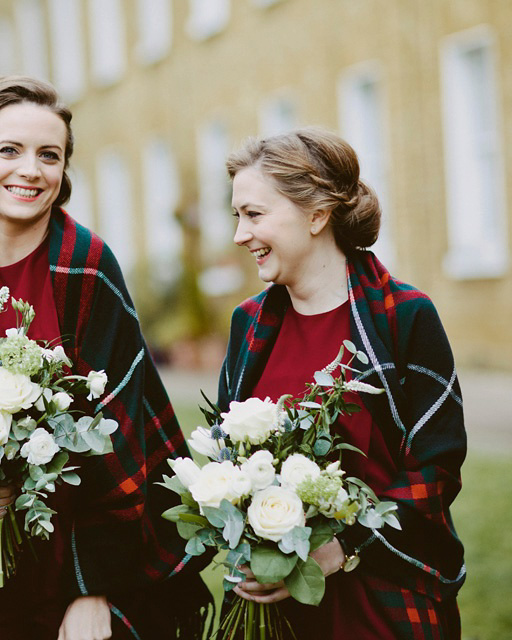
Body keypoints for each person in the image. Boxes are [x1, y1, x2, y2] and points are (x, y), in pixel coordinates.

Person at [0, 76, 212, 640]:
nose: (30, 170)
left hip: (73, 555)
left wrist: (93, 589)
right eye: (10, 151)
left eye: (49, 155)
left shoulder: (87, 269)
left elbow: (122, 435)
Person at [220, 128, 466, 638]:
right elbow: (230, 459)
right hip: (272, 608)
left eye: (254, 215)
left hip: (383, 600)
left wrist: (343, 547)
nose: (240, 235)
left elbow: (436, 467)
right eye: (237, 216)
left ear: (316, 215)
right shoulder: (249, 325)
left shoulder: (404, 317)